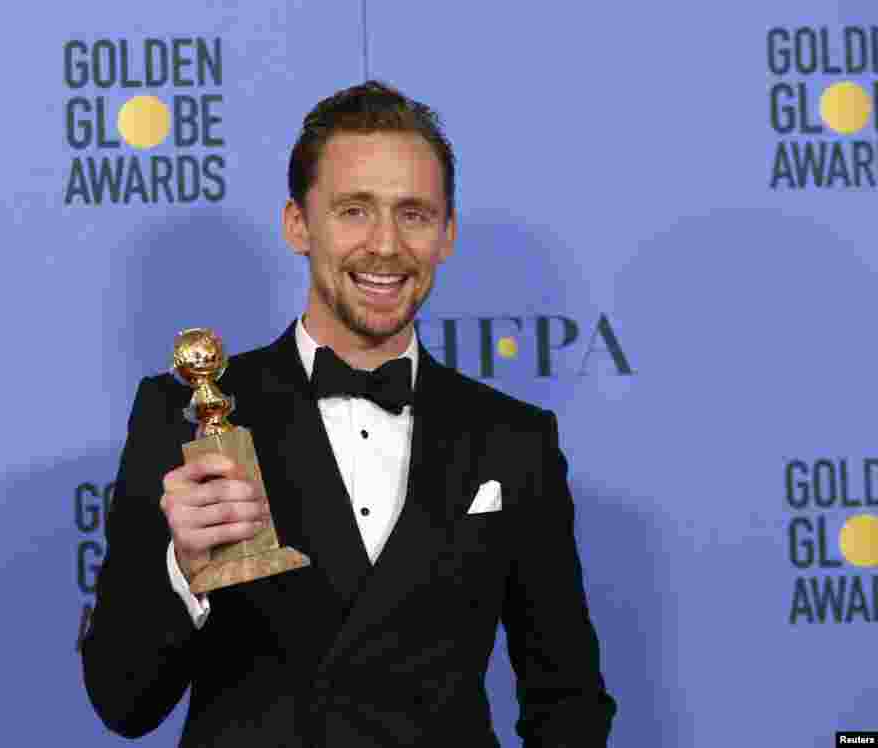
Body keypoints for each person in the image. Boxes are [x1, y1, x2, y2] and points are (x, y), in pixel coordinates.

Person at [81, 80, 617, 747]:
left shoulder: (514, 440)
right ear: (298, 225)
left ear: (447, 235)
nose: (385, 244)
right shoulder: (183, 413)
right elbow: (121, 700)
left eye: (414, 213)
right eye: (355, 211)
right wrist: (182, 572)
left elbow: (567, 697)